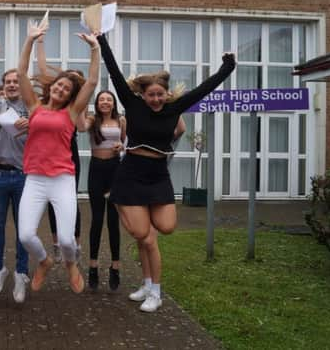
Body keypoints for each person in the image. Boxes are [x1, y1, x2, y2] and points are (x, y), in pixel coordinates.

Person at [97, 32, 235, 312]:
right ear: (143, 94)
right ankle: (153, 291)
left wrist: (227, 68)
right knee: (143, 235)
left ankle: (149, 280)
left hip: (158, 175)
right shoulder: (132, 104)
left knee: (166, 228)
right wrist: (102, 41)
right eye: (151, 95)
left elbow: (204, 89)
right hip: (132, 173)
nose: (156, 99)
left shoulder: (175, 107)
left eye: (160, 94)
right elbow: (113, 71)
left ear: (166, 94)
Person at [16, 20, 100, 294]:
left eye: (66, 89)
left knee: (66, 239)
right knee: (25, 234)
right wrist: (30, 40)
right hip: (35, 179)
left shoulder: (71, 114)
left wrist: (95, 50)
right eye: (59, 85)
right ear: (52, 86)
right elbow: (21, 73)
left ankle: (71, 264)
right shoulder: (34, 107)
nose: (61, 89)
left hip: (62, 178)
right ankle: (43, 261)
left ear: (70, 96)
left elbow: (92, 82)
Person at [0, 46, 31, 303]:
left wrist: (31, 124)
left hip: (24, 176)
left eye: (15, 81)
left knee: (24, 229)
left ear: (22, 86)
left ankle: (22, 273)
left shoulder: (32, 109)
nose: (12, 85)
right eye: (8, 82)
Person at [35, 34, 83, 263]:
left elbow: (82, 127)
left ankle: (75, 242)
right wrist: (41, 41)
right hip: (46, 153)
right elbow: (43, 69)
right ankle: (56, 242)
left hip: (68, 152)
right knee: (51, 203)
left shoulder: (75, 107)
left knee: (70, 200)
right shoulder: (53, 96)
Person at [129, 116, 185, 306]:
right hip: (137, 186)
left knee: (150, 241)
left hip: (156, 190)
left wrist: (172, 105)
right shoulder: (139, 134)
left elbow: (182, 128)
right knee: (141, 239)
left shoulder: (165, 134)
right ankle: (146, 284)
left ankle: (156, 292)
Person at [79, 90, 126, 291]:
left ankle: (115, 267)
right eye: (101, 100)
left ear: (113, 103)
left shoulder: (121, 120)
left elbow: (126, 143)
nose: (105, 102)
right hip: (96, 170)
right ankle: (93, 266)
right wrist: (82, 98)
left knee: (113, 221)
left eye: (109, 99)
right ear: (96, 104)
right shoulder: (91, 121)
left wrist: (120, 147)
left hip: (115, 170)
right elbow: (80, 127)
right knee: (97, 220)